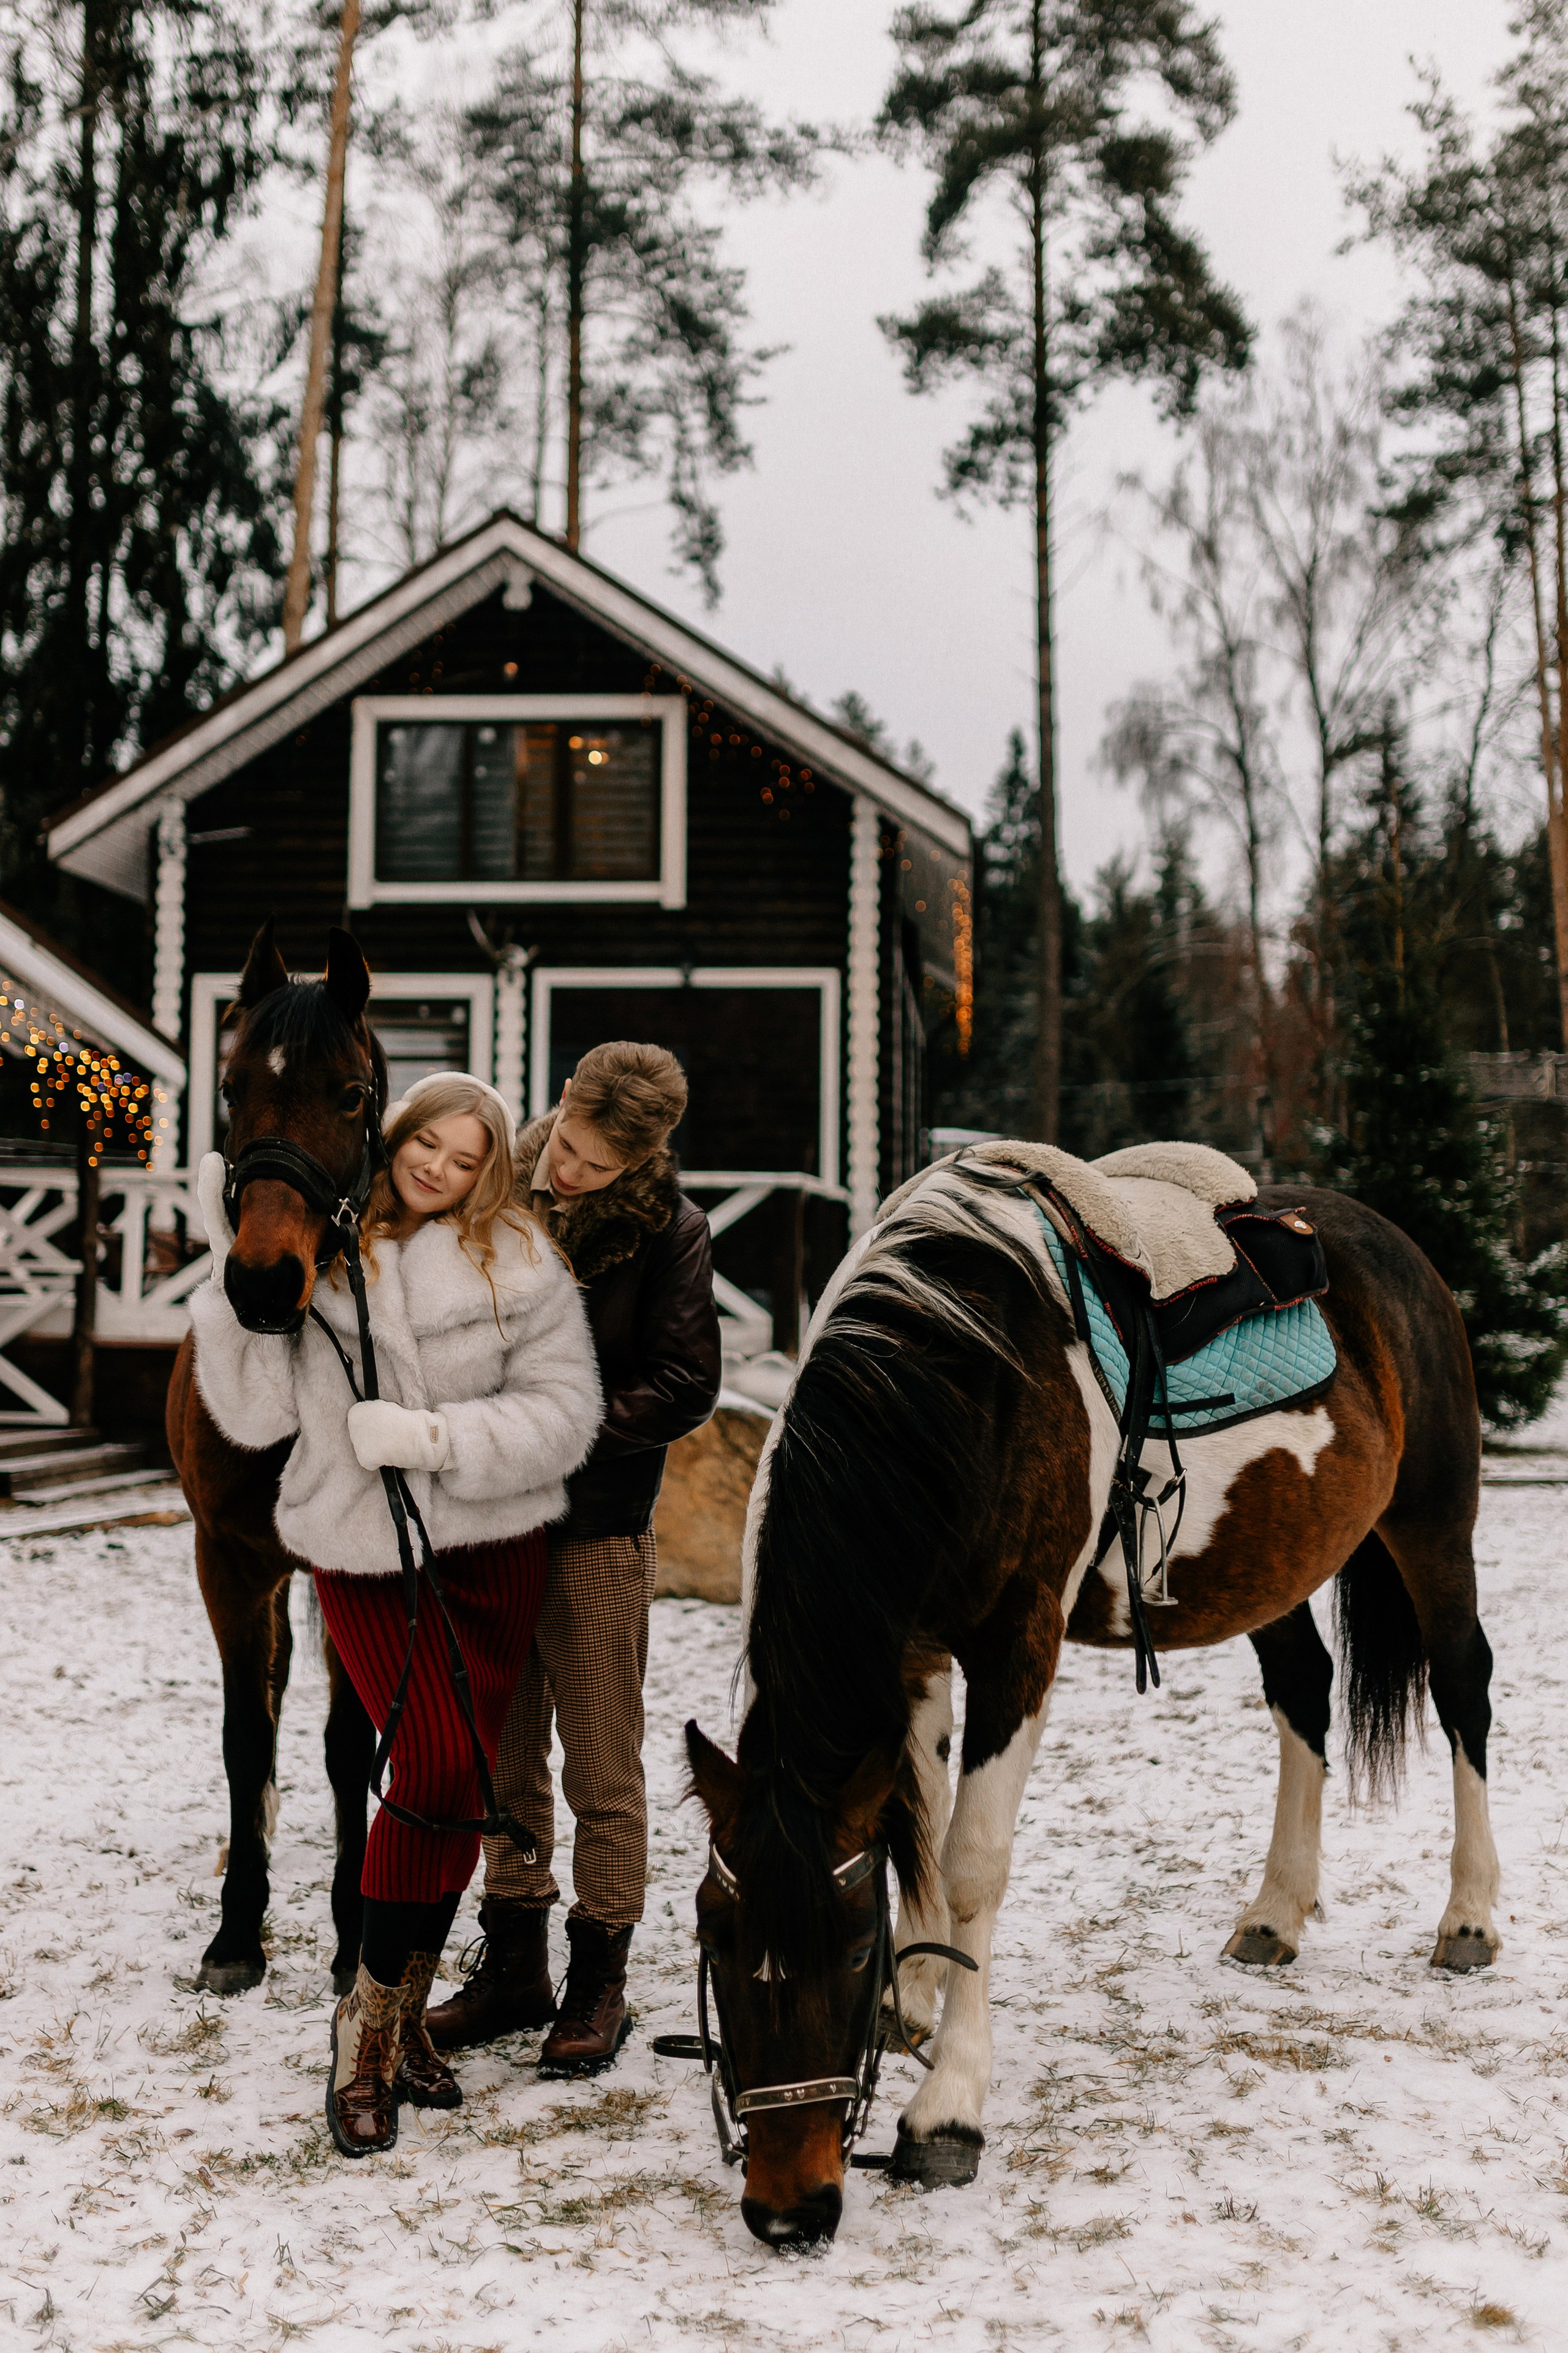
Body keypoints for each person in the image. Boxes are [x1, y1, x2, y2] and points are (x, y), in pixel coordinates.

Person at [189, 1074, 601, 2156]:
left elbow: (568, 1413)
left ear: (491, 1171)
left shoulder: (525, 1265)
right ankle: (365, 2033)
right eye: (428, 1144)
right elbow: (251, 1406)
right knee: (423, 1761)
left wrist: (437, 1440)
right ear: (395, 1138)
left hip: (493, 1547)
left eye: (468, 1159)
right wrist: (225, 1280)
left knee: (460, 1780)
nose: (439, 1170)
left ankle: (405, 2009)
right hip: (362, 1551)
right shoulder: (331, 1253)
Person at [428, 1041, 721, 2075]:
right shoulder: (493, 1187)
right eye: (573, 1148)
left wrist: (564, 1421)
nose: (573, 1174)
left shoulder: (673, 1232)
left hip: (597, 1528)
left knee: (602, 1761)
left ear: (645, 1157)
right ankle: (514, 1966)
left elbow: (688, 1381)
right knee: (503, 1756)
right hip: (489, 1523)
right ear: (560, 1106)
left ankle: (601, 1979)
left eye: (600, 1167)